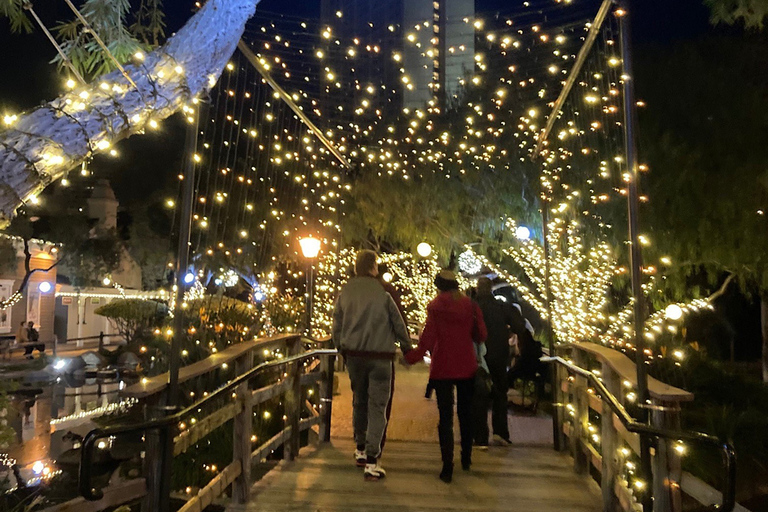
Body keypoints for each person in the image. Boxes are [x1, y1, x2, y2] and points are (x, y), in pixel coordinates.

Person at [332, 250, 411, 481]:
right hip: (380, 357)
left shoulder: (345, 291)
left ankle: (360, 448)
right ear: (373, 267)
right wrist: (406, 347)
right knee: (377, 406)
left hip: (354, 356)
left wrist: (340, 347)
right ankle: (372, 460)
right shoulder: (383, 291)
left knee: (359, 401)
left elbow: (337, 322)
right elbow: (397, 322)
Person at [404, 270, 487, 483]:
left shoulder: (435, 307)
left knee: (445, 418)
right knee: (465, 414)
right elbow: (482, 335)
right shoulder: (470, 305)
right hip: (467, 365)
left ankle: (447, 466)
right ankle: (466, 458)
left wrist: (411, 357)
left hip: (443, 367)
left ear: (439, 286)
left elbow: (427, 339)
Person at [472, 277, 526, 447]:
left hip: (476, 358)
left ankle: (480, 438)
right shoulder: (502, 308)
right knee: (499, 394)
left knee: (477, 396)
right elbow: (520, 326)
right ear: (491, 289)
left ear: (477, 289)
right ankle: (500, 432)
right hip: (498, 355)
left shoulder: (470, 308)